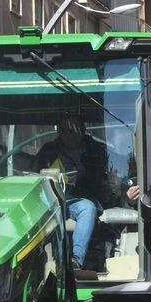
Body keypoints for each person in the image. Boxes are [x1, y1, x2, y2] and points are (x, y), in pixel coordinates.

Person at [34, 114, 109, 272]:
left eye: (73, 129)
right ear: (58, 132)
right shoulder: (48, 151)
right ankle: (52, 266)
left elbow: (104, 179)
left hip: (80, 197)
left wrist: (84, 178)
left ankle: (76, 260)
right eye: (64, 130)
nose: (69, 134)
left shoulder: (96, 150)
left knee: (87, 207)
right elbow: (31, 173)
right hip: (51, 197)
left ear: (82, 131)